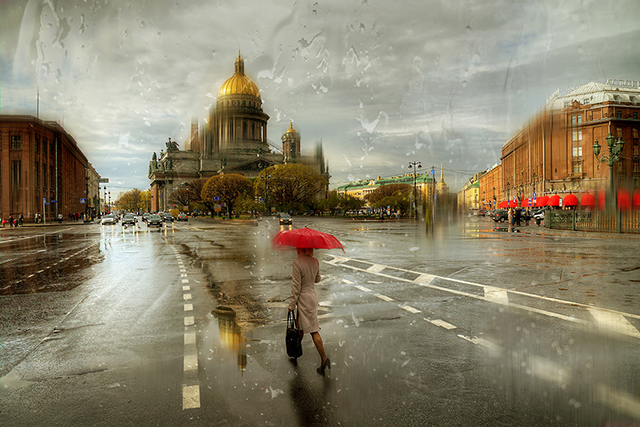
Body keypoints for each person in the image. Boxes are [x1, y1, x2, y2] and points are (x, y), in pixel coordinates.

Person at [288, 247, 330, 374]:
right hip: (312, 296)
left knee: (313, 330)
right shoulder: (315, 261)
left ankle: (324, 358)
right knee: (300, 325)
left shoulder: (297, 263)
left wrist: (291, 305)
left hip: (303, 298)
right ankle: (295, 351)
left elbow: (296, 286)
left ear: (300, 248)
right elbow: (317, 279)